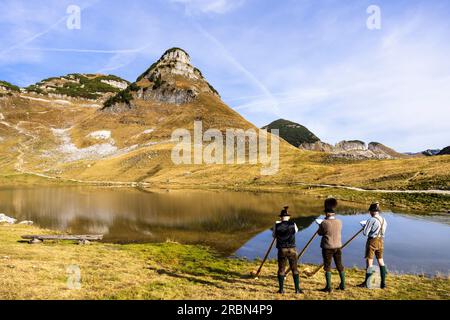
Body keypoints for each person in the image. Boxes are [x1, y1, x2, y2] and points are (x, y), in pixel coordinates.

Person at [317, 198, 345, 292]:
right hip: (338, 246)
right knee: (339, 265)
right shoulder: (339, 222)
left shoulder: (324, 223)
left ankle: (328, 287)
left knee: (327, 266)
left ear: (327, 214)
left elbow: (320, 233)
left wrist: (320, 225)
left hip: (327, 247)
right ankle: (343, 285)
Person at [272, 206, 302, 294]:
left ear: (280, 217)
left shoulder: (276, 225)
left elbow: (274, 235)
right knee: (294, 269)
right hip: (292, 249)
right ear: (288, 217)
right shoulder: (293, 224)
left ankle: (281, 290)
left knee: (281, 269)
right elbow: (295, 231)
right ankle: (297, 290)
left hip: (282, 249)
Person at [358, 202, 388, 289]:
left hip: (372, 241)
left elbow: (365, 233)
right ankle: (383, 283)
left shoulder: (371, 220)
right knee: (381, 261)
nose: (369, 213)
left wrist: (364, 226)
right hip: (381, 241)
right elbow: (383, 231)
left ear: (372, 211)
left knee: (369, 262)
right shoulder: (383, 219)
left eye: (370, 211)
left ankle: (367, 283)